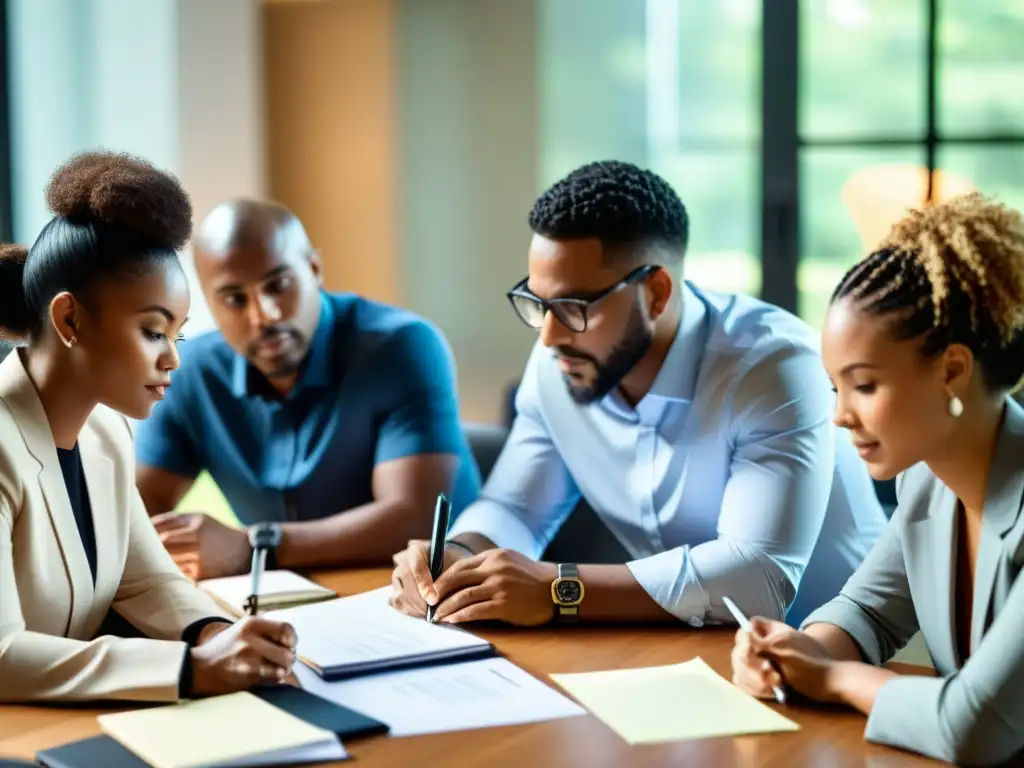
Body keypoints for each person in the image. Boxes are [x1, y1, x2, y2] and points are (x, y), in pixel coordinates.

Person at [390, 160, 886, 628]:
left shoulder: (773, 367)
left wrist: (558, 590)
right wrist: (458, 555)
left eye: (573, 307)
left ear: (656, 293)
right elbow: (517, 509)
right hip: (678, 645)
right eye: (538, 303)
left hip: (832, 652)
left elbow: (756, 578)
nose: (549, 337)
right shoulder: (561, 362)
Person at [730, 193, 1024, 766]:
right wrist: (793, 651)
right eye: (836, 388)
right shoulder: (928, 484)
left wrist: (834, 676)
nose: (840, 415)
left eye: (863, 386)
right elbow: (866, 612)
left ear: (952, 371)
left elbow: (976, 725)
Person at [0, 151, 298, 703]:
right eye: (153, 332)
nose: (173, 361)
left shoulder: (106, 432)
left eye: (177, 336)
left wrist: (217, 635)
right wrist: (189, 669)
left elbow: (146, 580)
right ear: (69, 319)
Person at [134, 198, 481, 580]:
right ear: (207, 302)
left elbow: (415, 518)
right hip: (290, 605)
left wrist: (256, 546)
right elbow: (136, 511)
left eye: (279, 286)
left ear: (314, 269)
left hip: (429, 598)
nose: (265, 315)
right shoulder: (192, 373)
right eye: (234, 298)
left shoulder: (402, 346)